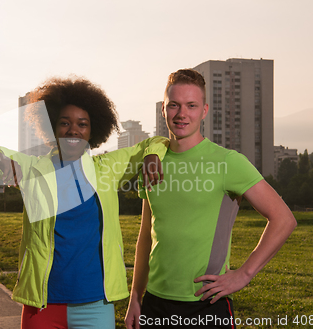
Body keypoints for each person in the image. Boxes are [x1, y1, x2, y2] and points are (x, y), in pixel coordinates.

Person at [0, 76, 168, 329]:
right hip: (42, 306)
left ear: (93, 130)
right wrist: (0, 162)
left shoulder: (106, 169)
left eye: (82, 124)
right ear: (53, 127)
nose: (73, 130)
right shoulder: (34, 169)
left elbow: (157, 141)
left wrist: (153, 154)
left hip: (95, 305)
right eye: (64, 123)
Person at [125, 69, 297, 329]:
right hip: (155, 304)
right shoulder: (153, 162)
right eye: (174, 105)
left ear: (204, 111)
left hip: (205, 304)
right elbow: (146, 236)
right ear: (164, 109)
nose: (182, 114)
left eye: (191, 106)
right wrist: (135, 297)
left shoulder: (228, 162)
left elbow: (283, 219)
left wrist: (244, 274)